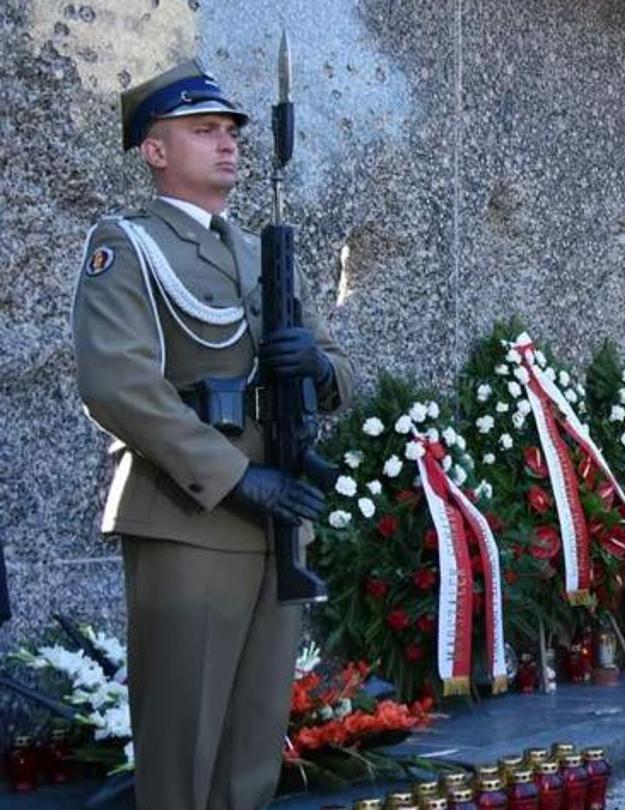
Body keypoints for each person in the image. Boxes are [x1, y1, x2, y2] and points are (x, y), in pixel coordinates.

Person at [70, 62, 359, 809]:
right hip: (190, 518)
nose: (227, 145)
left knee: (252, 750)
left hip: (278, 520)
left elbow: (337, 370)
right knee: (183, 752)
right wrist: (235, 476)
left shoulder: (260, 250)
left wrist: (318, 366)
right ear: (154, 152)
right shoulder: (128, 247)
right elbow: (118, 385)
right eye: (203, 131)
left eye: (231, 132)